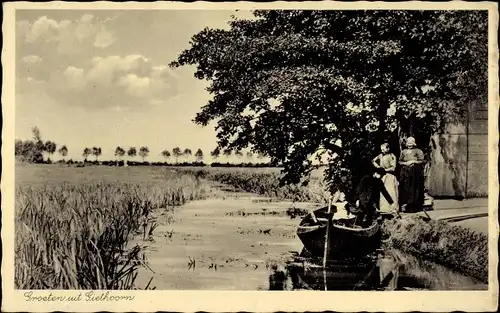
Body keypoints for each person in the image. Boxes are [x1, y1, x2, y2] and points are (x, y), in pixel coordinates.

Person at [398, 136, 426, 213]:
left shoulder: (418, 151)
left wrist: (413, 161)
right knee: (405, 188)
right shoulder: (403, 152)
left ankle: (414, 206)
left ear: (414, 144)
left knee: (414, 188)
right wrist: (405, 163)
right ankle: (406, 205)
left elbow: (422, 161)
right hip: (405, 172)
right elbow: (400, 161)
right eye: (408, 143)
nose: (409, 145)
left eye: (411, 143)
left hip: (415, 172)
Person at [372, 143, 399, 213]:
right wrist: (378, 167)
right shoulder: (380, 156)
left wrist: (384, 170)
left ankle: (393, 208)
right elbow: (373, 161)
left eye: (384, 149)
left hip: (390, 176)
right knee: (383, 192)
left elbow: (393, 168)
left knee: (391, 191)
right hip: (383, 176)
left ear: (388, 149)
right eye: (381, 149)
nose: (382, 151)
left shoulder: (392, 156)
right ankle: (384, 208)